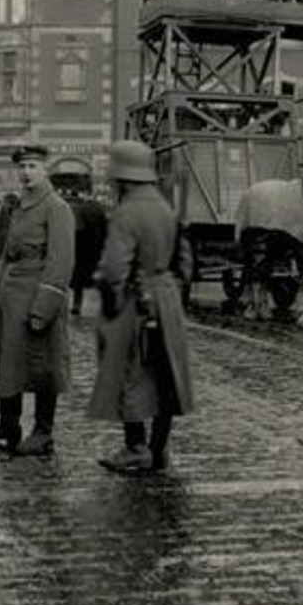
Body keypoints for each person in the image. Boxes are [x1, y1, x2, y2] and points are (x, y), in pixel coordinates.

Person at [89, 140, 194, 473]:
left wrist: (111, 306)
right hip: (167, 299)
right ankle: (158, 449)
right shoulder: (167, 209)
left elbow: (113, 270)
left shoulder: (126, 212)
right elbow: (186, 263)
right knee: (166, 376)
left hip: (136, 301)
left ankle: (136, 447)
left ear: (122, 177)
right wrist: (169, 291)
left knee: (128, 370)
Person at [0, 144, 75, 456]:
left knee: (43, 366)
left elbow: (61, 261)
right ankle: (8, 425)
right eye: (22, 167)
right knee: (9, 363)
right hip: (12, 298)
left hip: (36, 298)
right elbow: (9, 253)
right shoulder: (20, 205)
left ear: (45, 170)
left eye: (33, 166)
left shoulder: (56, 207)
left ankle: (44, 432)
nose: (26, 172)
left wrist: (43, 308)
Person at [68, 188, 109, 317]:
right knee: (94, 276)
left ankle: (76, 304)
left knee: (78, 278)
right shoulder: (98, 208)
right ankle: (102, 306)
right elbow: (104, 228)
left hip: (79, 246)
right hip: (93, 247)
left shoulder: (74, 208)